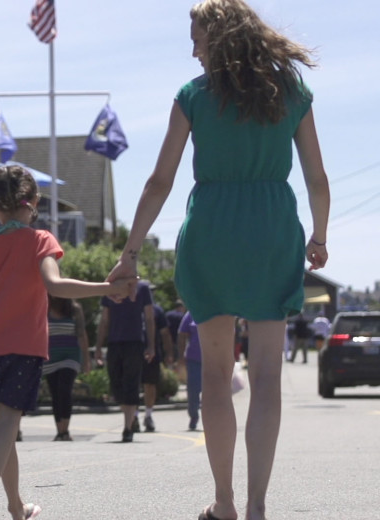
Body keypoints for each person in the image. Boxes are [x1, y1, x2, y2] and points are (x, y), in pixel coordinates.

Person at [106, 1, 330, 518]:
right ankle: (256, 505)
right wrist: (318, 235)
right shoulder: (290, 92)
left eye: (198, 39)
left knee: (214, 376)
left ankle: (224, 503)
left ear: (222, 38)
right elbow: (317, 178)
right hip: (272, 230)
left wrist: (130, 253)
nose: (194, 50)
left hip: (211, 232)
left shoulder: (193, 97)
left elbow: (158, 181)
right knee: (267, 376)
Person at [0, 164, 129, 520]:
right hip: (23, 349)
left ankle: (15, 505)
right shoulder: (41, 240)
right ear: (33, 201)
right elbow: (56, 286)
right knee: (8, 425)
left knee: (5, 428)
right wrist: (108, 287)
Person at [95, 280, 155, 442]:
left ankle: (128, 427)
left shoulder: (142, 288)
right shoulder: (110, 288)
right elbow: (105, 319)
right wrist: (99, 346)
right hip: (114, 342)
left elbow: (149, 318)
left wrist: (151, 345)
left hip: (135, 342)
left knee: (131, 383)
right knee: (116, 385)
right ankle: (131, 416)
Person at [43, 296, 90, 441]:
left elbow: (81, 334)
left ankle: (65, 429)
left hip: (70, 356)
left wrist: (86, 360)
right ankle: (60, 431)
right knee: (55, 394)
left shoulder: (74, 309)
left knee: (64, 389)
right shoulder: (45, 307)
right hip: (51, 357)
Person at [137, 298, 170, 433]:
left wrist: (169, 353)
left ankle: (148, 415)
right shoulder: (130, 307)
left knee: (150, 384)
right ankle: (133, 417)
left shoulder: (157, 311)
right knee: (132, 384)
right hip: (133, 349)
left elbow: (165, 332)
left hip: (152, 352)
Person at [177, 311, 202, 430]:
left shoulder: (218, 307)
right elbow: (181, 334)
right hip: (194, 359)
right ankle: (193, 416)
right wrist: (181, 357)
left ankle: (215, 419)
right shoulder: (191, 313)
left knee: (214, 390)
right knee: (193, 390)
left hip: (214, 358)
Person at [165, 299, 186, 364]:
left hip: (167, 342)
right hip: (178, 342)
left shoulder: (167, 314)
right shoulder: (183, 317)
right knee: (177, 362)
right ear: (182, 307)